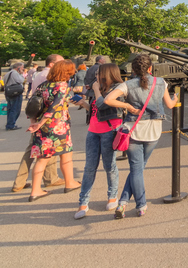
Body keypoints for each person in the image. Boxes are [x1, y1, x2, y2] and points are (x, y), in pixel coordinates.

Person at [103, 54, 178, 218]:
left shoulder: (127, 84)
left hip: (133, 130)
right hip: (153, 131)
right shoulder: (161, 82)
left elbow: (108, 100)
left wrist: (128, 106)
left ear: (134, 70)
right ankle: (137, 204)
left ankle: (128, 203)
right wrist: (175, 98)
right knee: (138, 169)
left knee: (136, 169)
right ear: (150, 68)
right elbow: (170, 105)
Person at [70, 63, 125, 219]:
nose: (95, 77)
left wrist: (95, 89)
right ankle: (83, 202)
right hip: (93, 131)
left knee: (109, 166)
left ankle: (112, 196)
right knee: (89, 167)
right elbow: (95, 109)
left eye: (98, 74)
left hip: (109, 131)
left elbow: (103, 105)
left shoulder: (117, 89)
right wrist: (83, 104)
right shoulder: (98, 88)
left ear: (107, 74)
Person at [26, 60, 82, 201]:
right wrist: (40, 123)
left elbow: (32, 105)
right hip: (58, 125)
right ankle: (69, 182)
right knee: (66, 155)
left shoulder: (44, 85)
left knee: (42, 159)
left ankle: (35, 190)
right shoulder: (62, 85)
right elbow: (54, 107)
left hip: (43, 126)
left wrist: (35, 123)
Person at [11, 55, 63, 193]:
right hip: (47, 118)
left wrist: (33, 119)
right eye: (61, 62)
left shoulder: (39, 74)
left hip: (37, 115)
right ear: (52, 64)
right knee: (48, 149)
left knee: (31, 150)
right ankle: (50, 178)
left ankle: (19, 182)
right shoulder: (51, 77)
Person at [3, 62, 25, 130]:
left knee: (10, 109)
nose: (23, 69)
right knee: (15, 109)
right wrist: (21, 74)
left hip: (9, 92)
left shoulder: (8, 73)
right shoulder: (15, 73)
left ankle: (10, 124)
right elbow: (21, 81)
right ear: (18, 68)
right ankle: (11, 124)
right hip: (15, 93)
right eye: (22, 68)